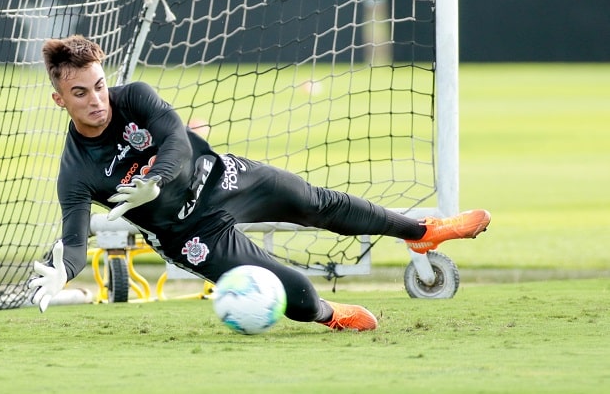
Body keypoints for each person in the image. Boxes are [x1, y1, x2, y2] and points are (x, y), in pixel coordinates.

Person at [30, 35, 491, 331]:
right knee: (288, 284)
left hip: (221, 178)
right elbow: (74, 238)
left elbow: (176, 138)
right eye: (80, 93)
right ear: (59, 99)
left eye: (100, 85)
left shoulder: (135, 97)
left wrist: (155, 178)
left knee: (318, 202)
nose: (97, 100)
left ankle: (422, 232)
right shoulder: (76, 172)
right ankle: (329, 316)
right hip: (190, 234)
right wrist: (64, 272)